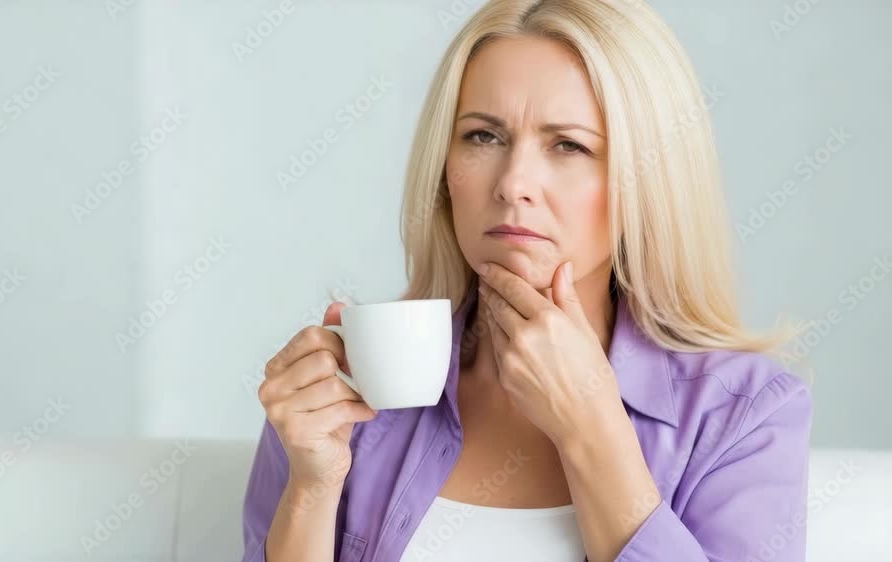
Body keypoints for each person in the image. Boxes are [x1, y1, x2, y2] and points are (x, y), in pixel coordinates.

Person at [243, 0, 812, 560]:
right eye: (483, 136)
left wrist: (591, 431)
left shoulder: (743, 416)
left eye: (569, 145)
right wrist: (312, 488)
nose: (513, 183)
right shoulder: (347, 392)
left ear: (647, 179)